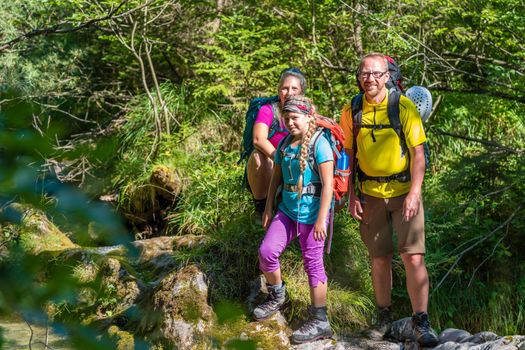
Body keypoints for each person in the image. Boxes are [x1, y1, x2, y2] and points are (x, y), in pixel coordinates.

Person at [339, 53, 439, 347]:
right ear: (359, 77)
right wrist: (351, 193)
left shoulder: (403, 107)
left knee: (413, 256)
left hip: (405, 192)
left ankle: (421, 321)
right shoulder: (352, 110)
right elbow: (348, 154)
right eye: (364, 73)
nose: (369, 78)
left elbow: (418, 153)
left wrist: (415, 193)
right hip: (370, 195)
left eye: (376, 74)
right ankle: (383, 320)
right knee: (379, 258)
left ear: (387, 77)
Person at [253, 95, 334, 344]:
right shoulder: (286, 144)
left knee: (313, 264)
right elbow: (276, 178)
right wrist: (268, 208)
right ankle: (277, 294)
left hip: (313, 215)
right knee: (266, 252)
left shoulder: (320, 145)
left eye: (295, 118)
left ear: (309, 117)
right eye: (286, 118)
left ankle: (320, 320)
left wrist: (322, 219)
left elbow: (329, 185)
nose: (289, 123)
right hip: (287, 211)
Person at [248, 68, 307, 222]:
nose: (289, 92)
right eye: (285, 88)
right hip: (272, 163)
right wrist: (280, 158)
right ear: (279, 91)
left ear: (301, 92)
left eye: (294, 88)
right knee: (257, 156)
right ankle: (261, 207)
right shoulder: (268, 110)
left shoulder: (307, 111)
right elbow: (258, 139)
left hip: (299, 163)